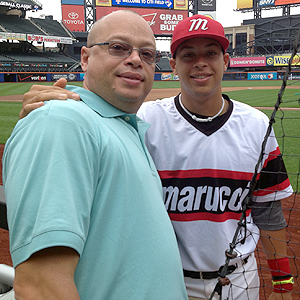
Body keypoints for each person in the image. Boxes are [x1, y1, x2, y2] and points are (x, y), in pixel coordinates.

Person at [19, 15, 294, 300]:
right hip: (168, 280)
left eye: (210, 53)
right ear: (173, 65)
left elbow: (267, 210)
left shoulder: (258, 125)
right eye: (188, 55)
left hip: (240, 279)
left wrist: (283, 282)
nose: (200, 62)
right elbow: (96, 118)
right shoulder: (143, 120)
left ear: (225, 61)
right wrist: (50, 106)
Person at [2, 10, 189, 300]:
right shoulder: (62, 122)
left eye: (148, 54)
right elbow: (40, 286)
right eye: (118, 47)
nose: (136, 59)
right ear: (86, 58)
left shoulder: (123, 126)